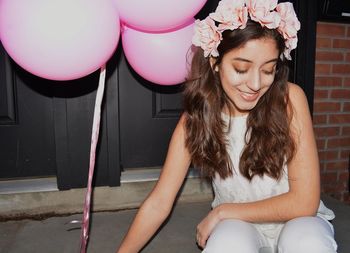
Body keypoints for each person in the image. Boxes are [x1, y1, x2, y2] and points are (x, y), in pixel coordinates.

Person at [116, 0, 338, 252]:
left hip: (299, 220)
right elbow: (159, 202)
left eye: (268, 70)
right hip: (240, 224)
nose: (255, 83)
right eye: (241, 68)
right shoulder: (196, 119)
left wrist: (222, 212)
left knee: (309, 243)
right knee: (226, 245)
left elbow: (304, 202)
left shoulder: (290, 99)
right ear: (216, 63)